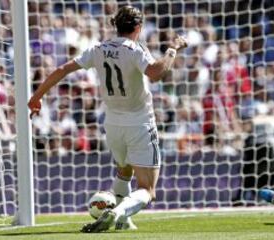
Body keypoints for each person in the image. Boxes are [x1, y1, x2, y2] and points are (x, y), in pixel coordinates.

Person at [28, 6, 187, 233]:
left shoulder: (98, 48)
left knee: (124, 170)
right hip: (140, 123)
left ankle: (123, 221)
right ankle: (118, 212)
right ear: (138, 28)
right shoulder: (135, 49)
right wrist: (173, 49)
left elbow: (63, 69)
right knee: (148, 189)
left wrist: (36, 96)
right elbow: (156, 73)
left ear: (116, 26)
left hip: (112, 124)